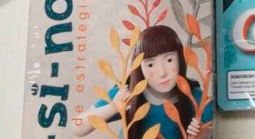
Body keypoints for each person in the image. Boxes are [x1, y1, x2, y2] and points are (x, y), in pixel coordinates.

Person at [75, 25, 213, 139]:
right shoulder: (127, 93)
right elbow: (77, 127)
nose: (162, 73)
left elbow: (221, 129)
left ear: (181, 59)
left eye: (169, 60)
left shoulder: (197, 99)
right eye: (150, 65)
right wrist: (113, 108)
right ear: (139, 67)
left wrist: (206, 134)